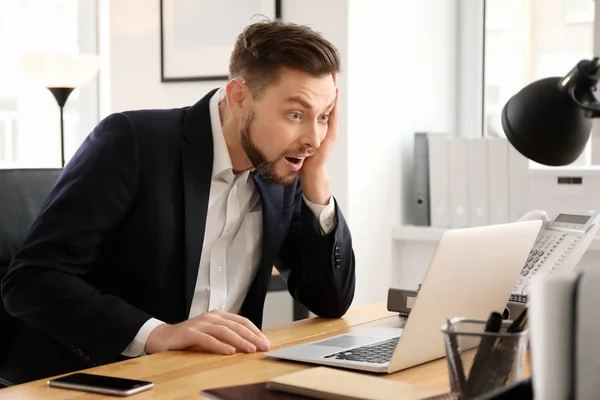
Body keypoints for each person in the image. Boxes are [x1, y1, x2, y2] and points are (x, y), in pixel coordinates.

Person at [0, 19, 355, 384]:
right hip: (93, 379)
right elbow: (30, 281)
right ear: (238, 98)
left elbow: (330, 300)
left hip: (216, 380)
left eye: (324, 116)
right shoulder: (133, 142)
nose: (313, 137)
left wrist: (317, 182)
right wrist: (157, 334)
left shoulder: (281, 167)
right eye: (296, 114)